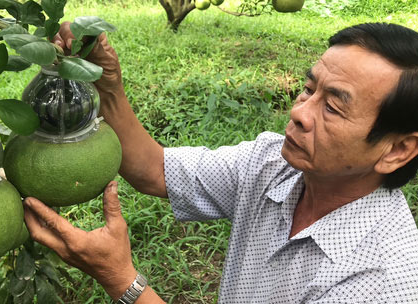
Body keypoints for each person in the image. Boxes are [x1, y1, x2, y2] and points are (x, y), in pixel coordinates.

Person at [22, 22, 418, 303]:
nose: (300, 113)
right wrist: (108, 87)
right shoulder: (273, 164)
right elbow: (153, 169)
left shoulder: (380, 281)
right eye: (309, 88)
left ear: (397, 151)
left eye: (332, 107)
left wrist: (121, 279)